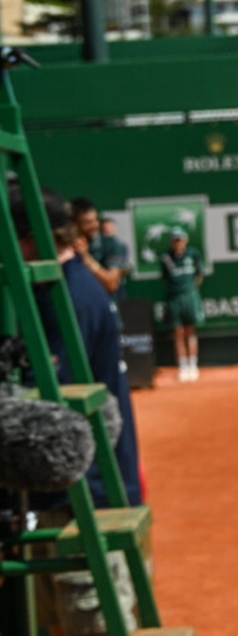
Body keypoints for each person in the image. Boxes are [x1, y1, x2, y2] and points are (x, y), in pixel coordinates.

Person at [9, 187, 144, 634]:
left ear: (30, 239)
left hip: (83, 495)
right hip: (71, 490)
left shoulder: (69, 294)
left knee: (89, 617)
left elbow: (55, 405)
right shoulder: (62, 285)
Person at [160, 227, 204, 382]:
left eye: (180, 239)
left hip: (190, 296)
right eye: (175, 240)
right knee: (178, 332)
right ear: (171, 242)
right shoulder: (166, 258)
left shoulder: (193, 254)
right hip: (174, 298)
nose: (178, 242)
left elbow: (199, 275)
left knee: (190, 331)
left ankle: (193, 365)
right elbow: (165, 279)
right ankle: (183, 366)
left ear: (185, 240)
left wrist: (190, 290)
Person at [69, 196, 131, 301]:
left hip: (106, 308)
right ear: (74, 224)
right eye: (87, 222)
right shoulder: (65, 248)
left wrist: (85, 258)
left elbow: (111, 284)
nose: (94, 225)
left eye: (95, 220)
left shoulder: (112, 244)